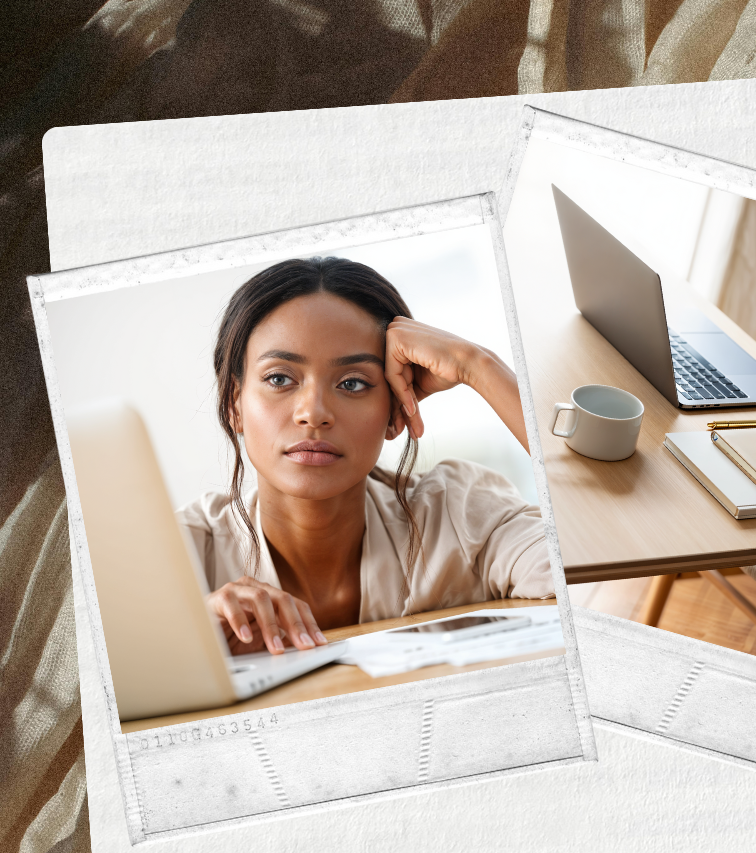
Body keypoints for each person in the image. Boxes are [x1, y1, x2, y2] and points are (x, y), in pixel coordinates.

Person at [176, 256, 553, 656]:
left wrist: (479, 366)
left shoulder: (460, 516)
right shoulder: (179, 552)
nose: (314, 413)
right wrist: (181, 638)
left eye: (352, 383)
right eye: (279, 378)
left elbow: (594, 567)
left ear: (396, 413)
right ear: (235, 405)